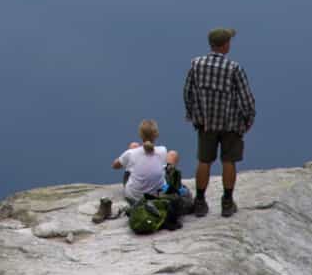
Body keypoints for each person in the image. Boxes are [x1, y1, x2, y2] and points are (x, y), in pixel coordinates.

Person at [183, 26, 255, 218]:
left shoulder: (196, 64)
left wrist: (194, 115)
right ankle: (227, 202)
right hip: (230, 124)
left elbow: (188, 93)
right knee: (229, 161)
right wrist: (248, 119)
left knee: (204, 160)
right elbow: (246, 98)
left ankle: (200, 201)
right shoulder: (234, 68)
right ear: (225, 45)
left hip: (206, 122)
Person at [96, 119, 180, 222]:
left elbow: (115, 166)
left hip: (134, 196)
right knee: (173, 154)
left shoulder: (132, 153)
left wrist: (128, 154)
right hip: (157, 195)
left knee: (133, 146)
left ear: (141, 135)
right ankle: (168, 172)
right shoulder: (162, 150)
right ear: (156, 135)